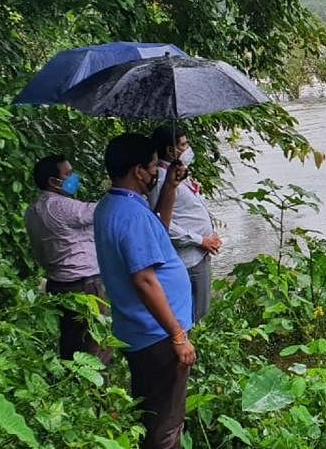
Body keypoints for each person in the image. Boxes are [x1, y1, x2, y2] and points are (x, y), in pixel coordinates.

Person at [93, 133, 195, 449]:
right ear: (138, 171)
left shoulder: (114, 205)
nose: (156, 172)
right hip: (157, 336)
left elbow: (158, 232)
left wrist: (170, 188)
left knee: (154, 416)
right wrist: (178, 336)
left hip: (140, 332)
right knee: (165, 427)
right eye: (153, 167)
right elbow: (145, 281)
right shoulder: (131, 214)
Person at [24, 155, 111, 364]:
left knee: (72, 343)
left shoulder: (33, 210)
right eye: (68, 174)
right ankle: (95, 392)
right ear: (54, 182)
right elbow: (101, 211)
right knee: (95, 345)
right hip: (85, 284)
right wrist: (117, 190)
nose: (74, 178)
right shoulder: (60, 206)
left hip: (59, 283)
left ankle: (72, 387)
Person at [148, 125, 222, 322]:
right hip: (188, 257)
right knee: (194, 312)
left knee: (200, 308)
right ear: (171, 150)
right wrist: (200, 240)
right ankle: (185, 348)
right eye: (183, 144)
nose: (188, 147)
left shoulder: (177, 173)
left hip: (199, 252)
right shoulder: (161, 180)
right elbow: (160, 222)